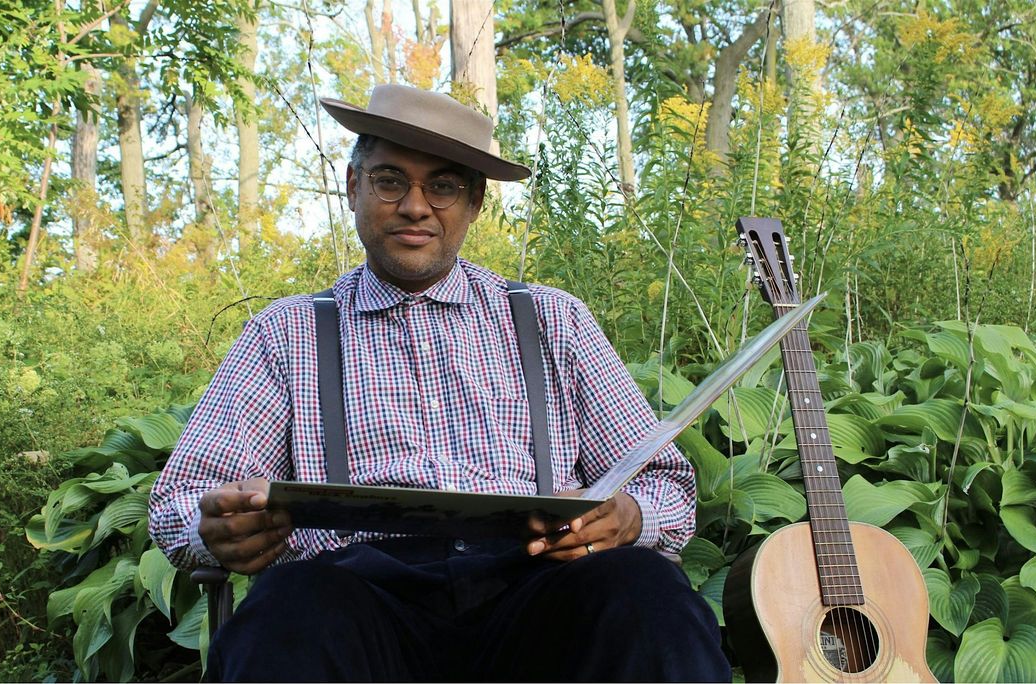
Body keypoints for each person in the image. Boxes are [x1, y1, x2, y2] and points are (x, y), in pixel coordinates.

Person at [149, 83, 730, 682]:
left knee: (644, 592)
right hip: (356, 605)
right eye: (390, 180)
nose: (416, 206)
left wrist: (630, 516)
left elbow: (664, 480)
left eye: (444, 186)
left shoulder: (552, 318)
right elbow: (180, 499)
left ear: (475, 202)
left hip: (542, 596)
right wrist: (216, 526)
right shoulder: (286, 331)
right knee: (288, 611)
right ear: (354, 187)